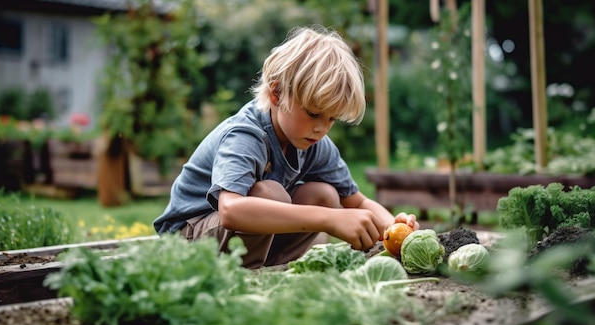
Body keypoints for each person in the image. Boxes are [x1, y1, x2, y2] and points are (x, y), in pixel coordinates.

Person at [154, 25, 419, 268]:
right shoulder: (246, 135)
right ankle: (247, 277)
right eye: (314, 114)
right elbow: (231, 210)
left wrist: (393, 227)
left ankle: (275, 269)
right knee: (270, 195)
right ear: (277, 94)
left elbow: (355, 200)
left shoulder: (314, 142)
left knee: (325, 195)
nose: (322, 128)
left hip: (230, 240)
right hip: (185, 240)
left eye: (332, 119)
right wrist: (328, 219)